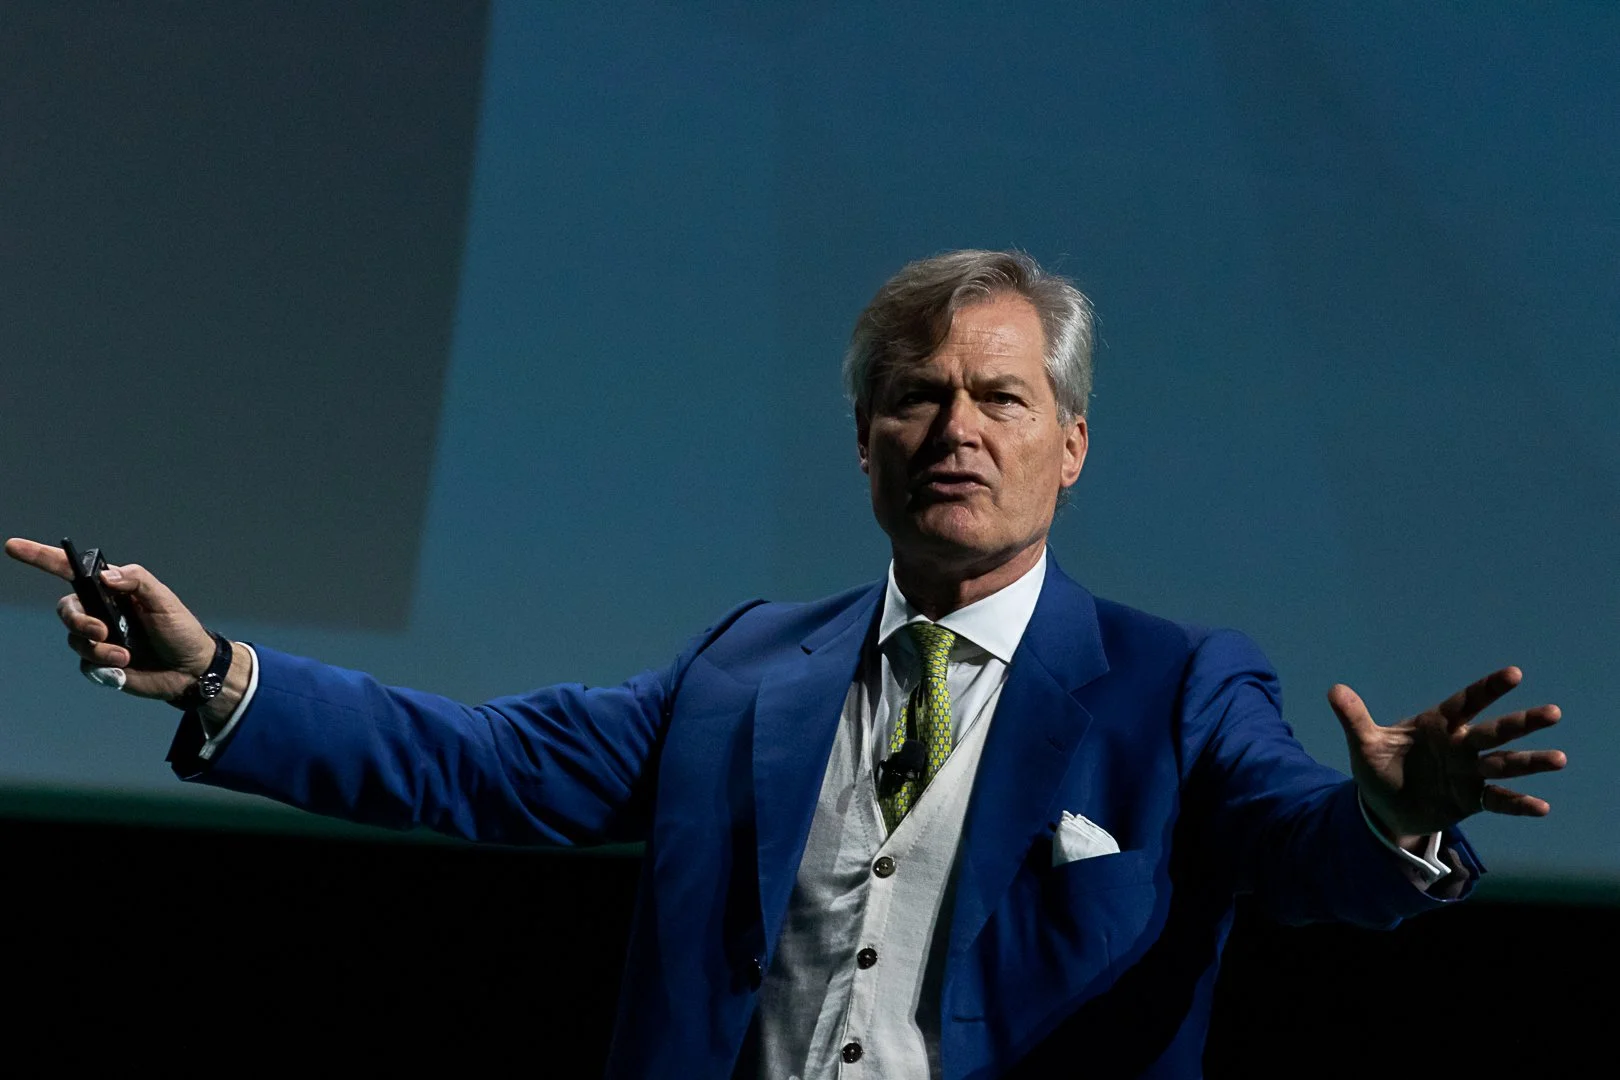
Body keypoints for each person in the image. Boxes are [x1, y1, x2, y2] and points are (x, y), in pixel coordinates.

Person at [6, 250, 1567, 1079]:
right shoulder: (746, 670)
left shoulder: (1176, 686)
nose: (958, 427)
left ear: (1072, 446)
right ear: (864, 443)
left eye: (1003, 399)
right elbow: (480, 765)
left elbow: (1302, 851)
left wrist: (1390, 816)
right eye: (918, 396)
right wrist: (221, 676)